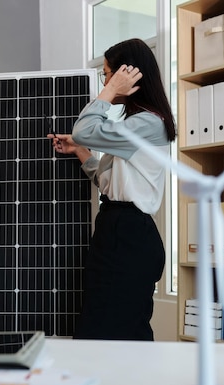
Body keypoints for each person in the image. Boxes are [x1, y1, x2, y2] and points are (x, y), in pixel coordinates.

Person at [49, 38, 176, 341]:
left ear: (127, 75)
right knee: (106, 326)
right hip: (118, 229)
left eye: (107, 74)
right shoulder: (136, 124)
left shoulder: (148, 123)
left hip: (128, 234)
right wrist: (79, 150)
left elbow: (84, 129)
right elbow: (108, 182)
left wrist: (109, 92)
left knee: (115, 330)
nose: (105, 81)